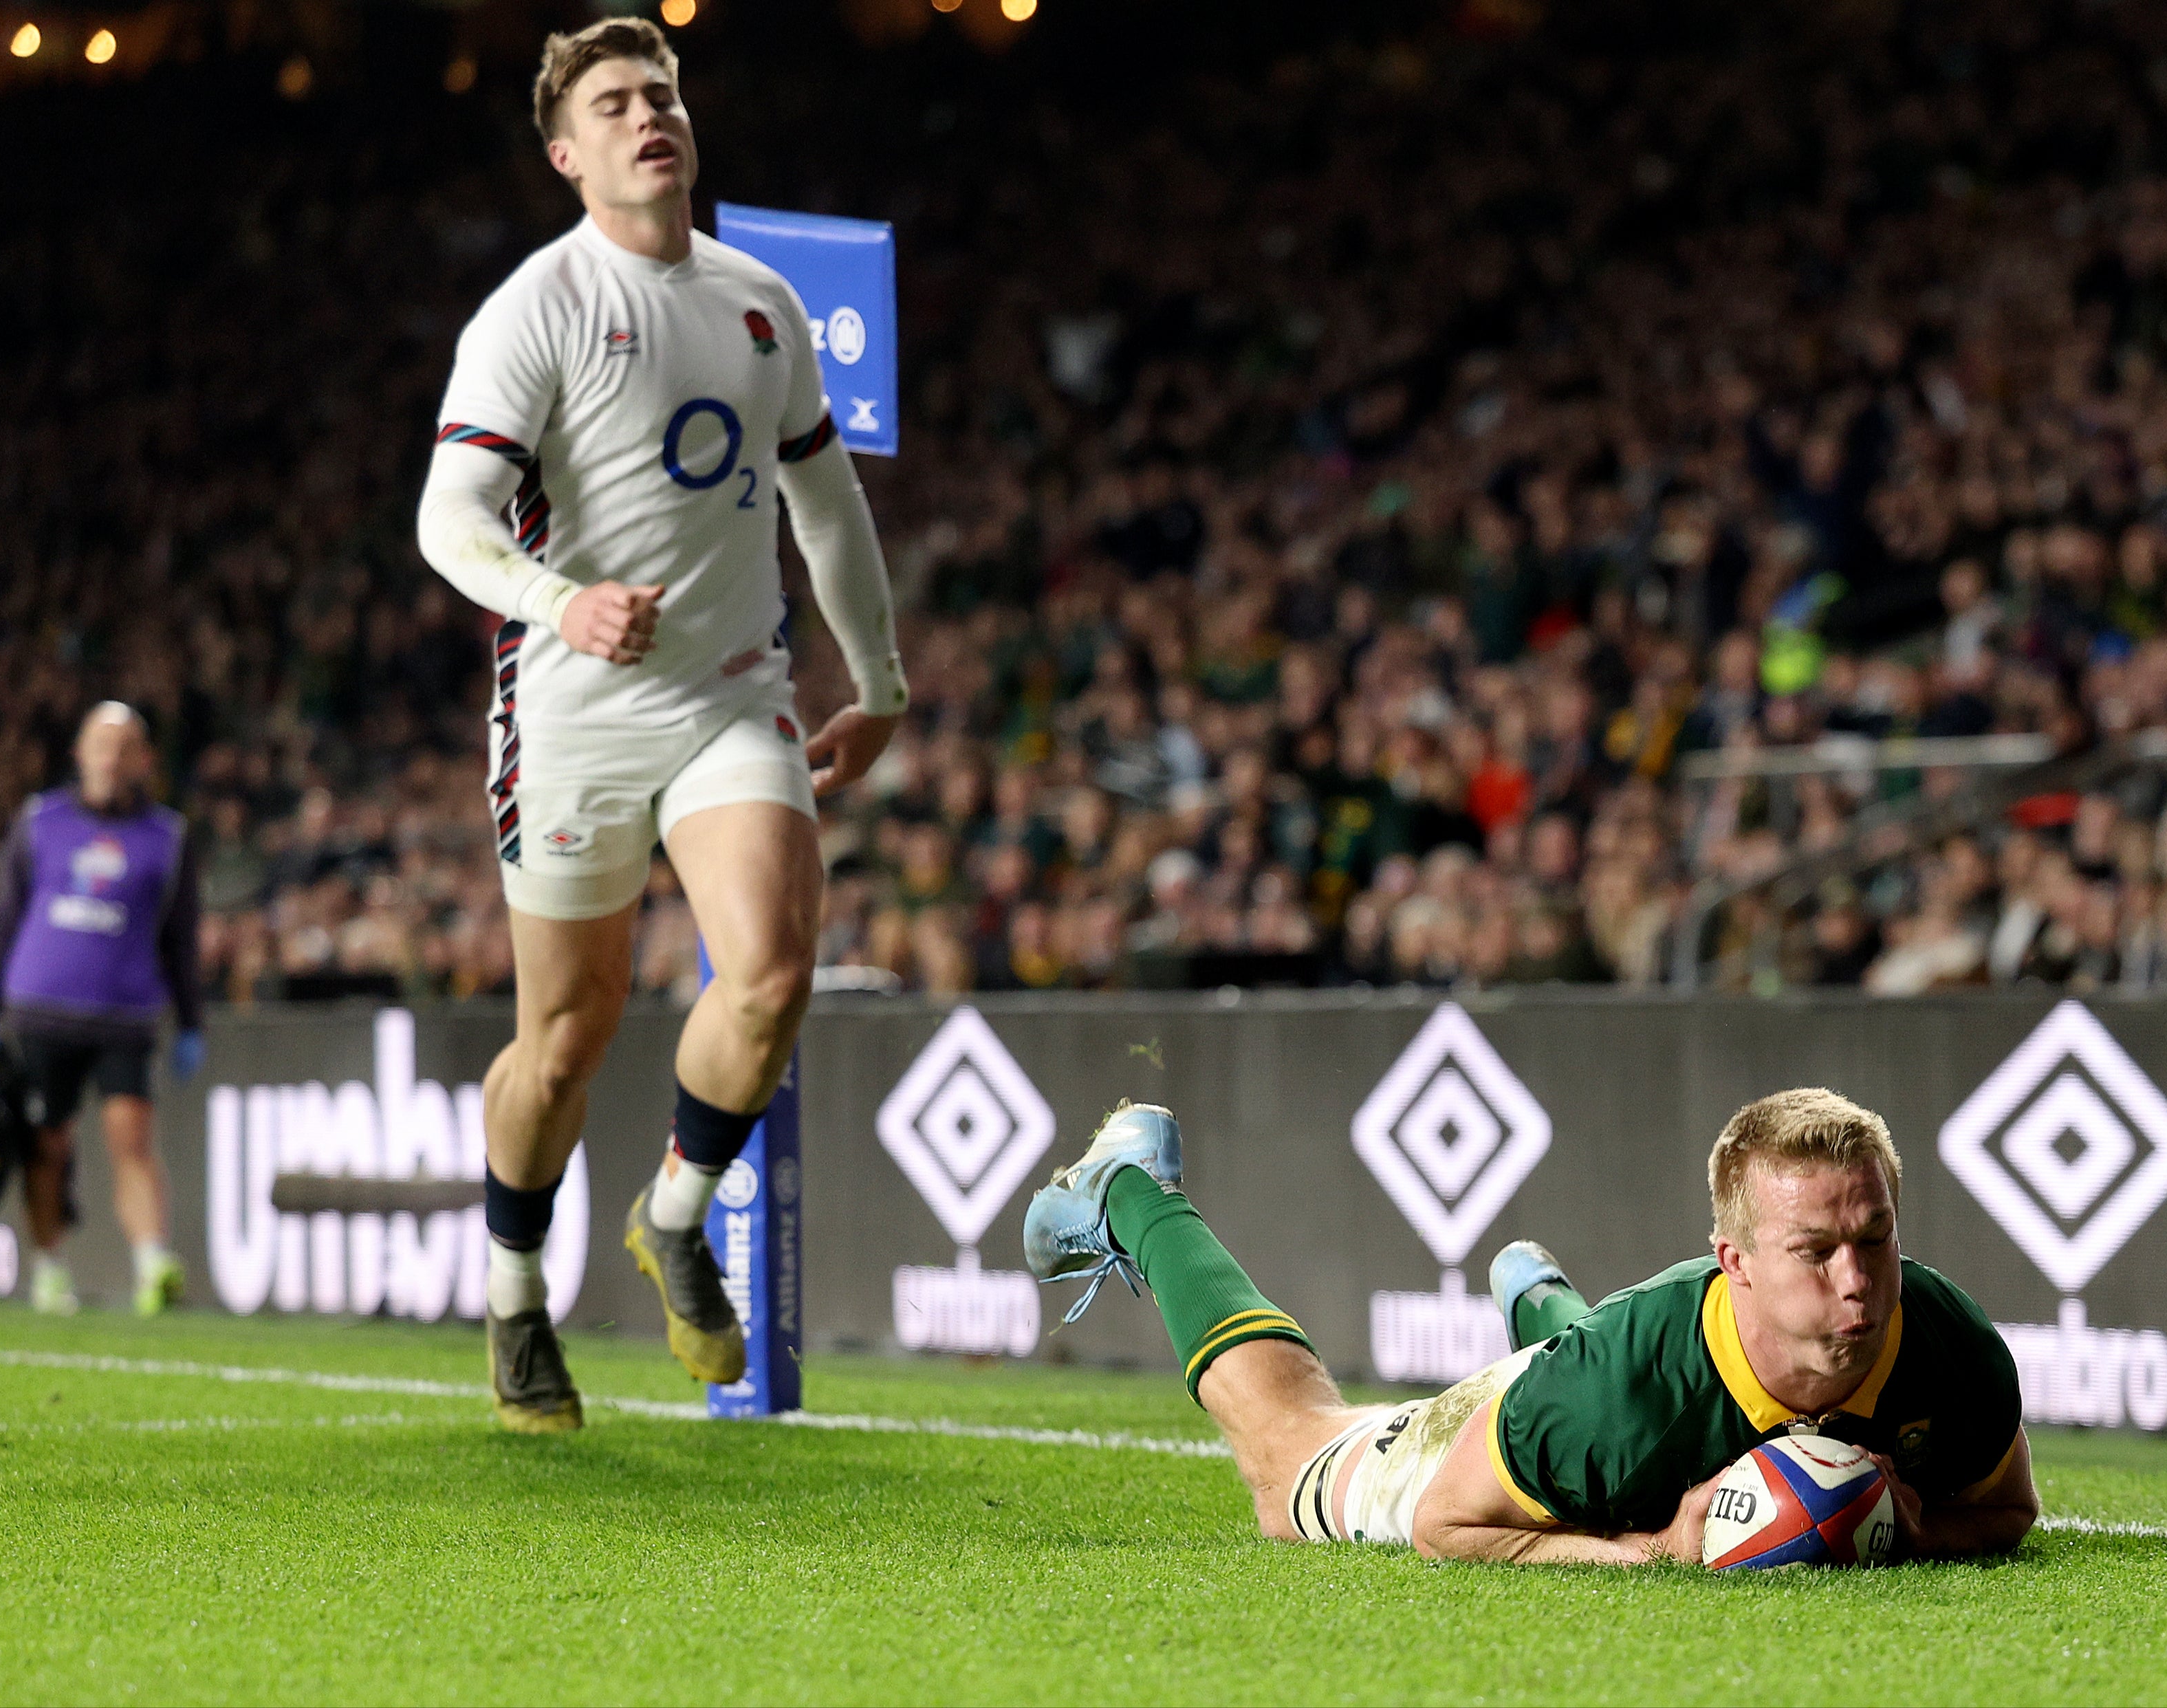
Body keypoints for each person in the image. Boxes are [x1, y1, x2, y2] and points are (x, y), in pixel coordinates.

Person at [413, 17, 905, 1431]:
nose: (650, 116)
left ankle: (674, 1214)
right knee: (566, 1037)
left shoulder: (763, 300)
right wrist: (557, 604)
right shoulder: (533, 308)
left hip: (728, 695)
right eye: (617, 102)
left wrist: (877, 683)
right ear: (567, 154)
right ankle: (515, 1300)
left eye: (664, 93)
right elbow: (449, 521)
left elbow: (826, 499)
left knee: (770, 969)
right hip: (570, 710)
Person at [1025, 1089, 2036, 1563]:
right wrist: (1653, 1553)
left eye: (1875, 1238)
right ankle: (1133, 1194)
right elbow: (1443, 1528)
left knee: (1607, 1414)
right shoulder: (1609, 1397)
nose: (1858, 1281)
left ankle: (1546, 1313)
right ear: (1735, 1263)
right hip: (1545, 1408)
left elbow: (2007, 1515)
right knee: (1287, 1462)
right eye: (1815, 1252)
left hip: (1607, 1386)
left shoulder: (1949, 1346)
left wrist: (1919, 1532)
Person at [0, 702, 204, 1316]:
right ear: (79, 753)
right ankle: (50, 1267)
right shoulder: (40, 821)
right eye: (100, 744)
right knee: (47, 1144)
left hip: (124, 1014)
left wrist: (191, 1022)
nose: (111, 757)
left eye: (125, 746)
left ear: (145, 760)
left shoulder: (168, 837)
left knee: (133, 1141)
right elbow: (7, 915)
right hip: (41, 1008)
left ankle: (152, 1261)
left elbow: (180, 937)